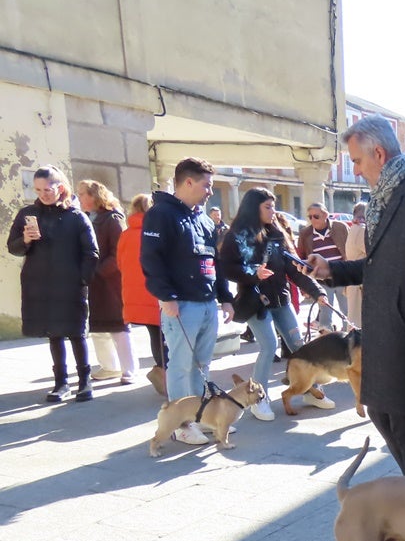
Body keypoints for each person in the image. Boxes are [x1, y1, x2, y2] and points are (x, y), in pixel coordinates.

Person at [303, 114, 405, 476]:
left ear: (379, 154)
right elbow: (379, 265)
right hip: (383, 329)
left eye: (356, 161)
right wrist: (332, 270)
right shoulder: (386, 197)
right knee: (378, 410)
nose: (355, 170)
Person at [140, 157, 234, 445]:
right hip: (179, 304)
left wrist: (225, 298)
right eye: (206, 185)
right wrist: (165, 295)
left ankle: (200, 417)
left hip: (206, 303)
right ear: (188, 182)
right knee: (180, 365)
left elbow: (213, 262)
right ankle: (181, 424)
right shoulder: (161, 214)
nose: (210, 191)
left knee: (201, 365)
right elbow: (150, 259)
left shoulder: (203, 219)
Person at [220, 188, 329, 420]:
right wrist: (252, 273)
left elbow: (294, 268)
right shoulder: (236, 236)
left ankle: (312, 390)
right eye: (268, 207)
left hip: (282, 298)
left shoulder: (277, 234)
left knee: (300, 346)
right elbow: (227, 268)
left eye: (274, 206)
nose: (274, 211)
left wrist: (317, 291)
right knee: (268, 346)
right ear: (254, 208)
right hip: (255, 302)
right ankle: (259, 399)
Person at [6, 165, 98, 402]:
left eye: (48, 189)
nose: (43, 194)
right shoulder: (27, 213)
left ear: (60, 187)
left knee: (76, 333)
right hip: (40, 285)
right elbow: (13, 247)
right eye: (38, 189)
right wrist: (25, 239)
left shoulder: (76, 217)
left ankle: (85, 381)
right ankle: (61, 383)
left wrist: (82, 280)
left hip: (70, 285)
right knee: (54, 334)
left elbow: (91, 253)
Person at [77, 180, 134, 385]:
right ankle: (109, 367)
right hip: (92, 283)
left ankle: (128, 369)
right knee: (98, 329)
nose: (79, 198)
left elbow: (119, 252)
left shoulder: (112, 218)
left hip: (110, 283)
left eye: (83, 193)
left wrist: (98, 271)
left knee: (118, 328)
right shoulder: (84, 218)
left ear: (95, 196)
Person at [116, 193, 168, 395]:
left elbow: (120, 263)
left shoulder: (126, 234)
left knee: (154, 334)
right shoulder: (156, 232)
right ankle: (168, 376)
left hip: (135, 295)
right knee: (167, 336)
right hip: (156, 293)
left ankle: (161, 371)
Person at [298, 204, 349, 331]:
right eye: (310, 217)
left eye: (316, 216)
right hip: (322, 280)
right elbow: (302, 257)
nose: (313, 220)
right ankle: (327, 341)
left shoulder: (340, 227)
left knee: (348, 310)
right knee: (325, 313)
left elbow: (350, 249)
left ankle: (350, 338)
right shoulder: (305, 234)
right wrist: (304, 287)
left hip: (341, 276)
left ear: (325, 215)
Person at [343, 202, 368, 327]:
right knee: (358, 322)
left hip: (354, 280)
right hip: (360, 283)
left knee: (355, 319)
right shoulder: (362, 230)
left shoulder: (355, 228)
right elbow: (374, 251)